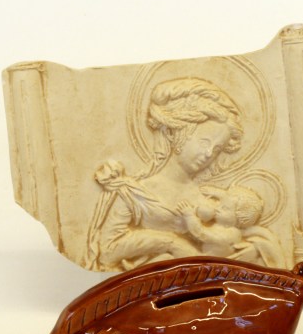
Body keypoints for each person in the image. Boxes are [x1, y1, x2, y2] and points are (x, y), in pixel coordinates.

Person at [87, 78, 245, 271]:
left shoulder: (208, 198)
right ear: (175, 133)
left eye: (217, 148)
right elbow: (107, 251)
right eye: (204, 142)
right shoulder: (133, 191)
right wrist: (170, 242)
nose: (209, 153)